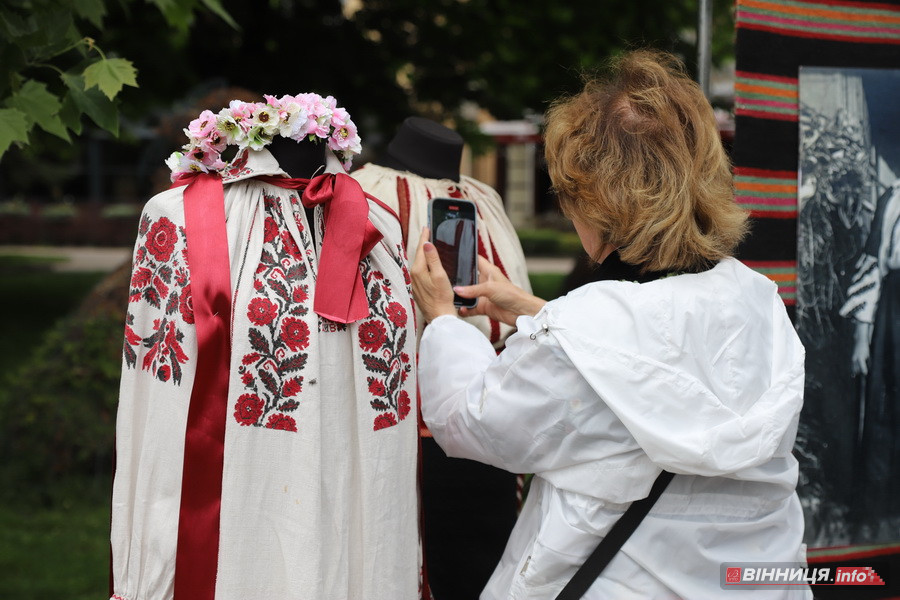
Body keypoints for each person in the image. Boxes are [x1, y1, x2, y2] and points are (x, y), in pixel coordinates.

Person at [411, 50, 810, 599]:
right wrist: (538, 312)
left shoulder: (586, 328)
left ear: (599, 201)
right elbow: (668, 355)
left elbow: (473, 423)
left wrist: (441, 321)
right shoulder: (756, 298)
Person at [353, 116, 529, 600]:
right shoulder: (359, 194)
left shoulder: (483, 198)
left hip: (486, 427)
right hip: (390, 426)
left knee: (478, 568)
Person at [840, 177, 900, 541]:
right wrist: (862, 336)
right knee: (882, 404)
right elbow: (873, 266)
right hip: (893, 311)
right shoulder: (893, 196)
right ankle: (876, 511)